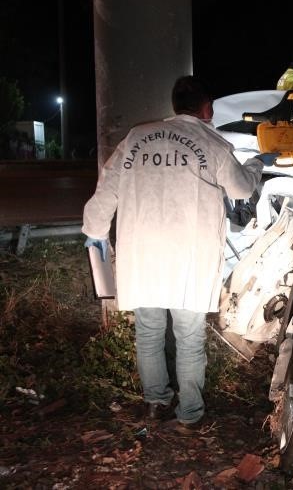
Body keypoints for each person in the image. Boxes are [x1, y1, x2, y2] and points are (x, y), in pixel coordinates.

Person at [82, 76, 264, 432]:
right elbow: (241, 187)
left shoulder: (136, 138)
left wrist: (95, 234)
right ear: (207, 108)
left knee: (149, 333)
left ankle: (156, 403)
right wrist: (257, 165)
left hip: (143, 252)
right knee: (189, 337)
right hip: (189, 257)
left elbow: (106, 191)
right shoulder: (211, 141)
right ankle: (190, 414)